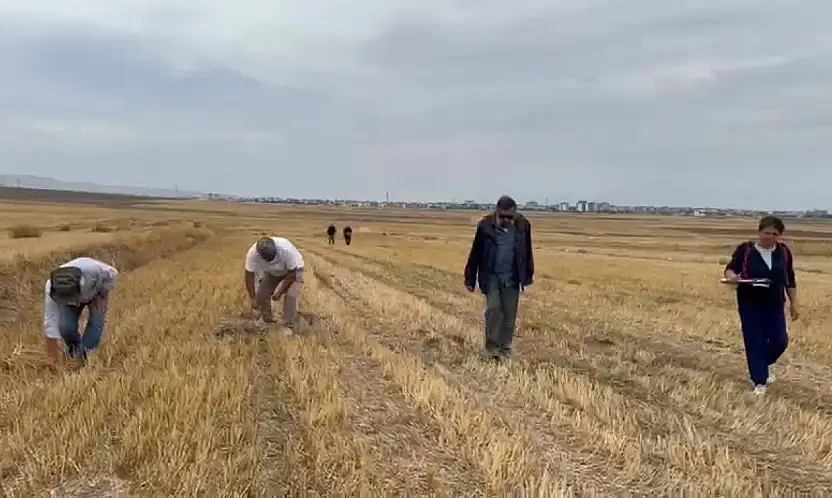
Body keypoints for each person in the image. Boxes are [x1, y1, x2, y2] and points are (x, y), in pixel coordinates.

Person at [723, 215, 798, 395]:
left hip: (775, 302)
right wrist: (733, 277)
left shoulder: (784, 252)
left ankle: (761, 364)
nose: (769, 236)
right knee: (755, 340)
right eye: (766, 232)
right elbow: (730, 268)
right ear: (759, 232)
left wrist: (794, 303)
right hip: (750, 302)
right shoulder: (746, 250)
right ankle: (759, 381)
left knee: (780, 341)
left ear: (779, 235)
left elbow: (790, 279)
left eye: (774, 233)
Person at [464, 195, 534, 360]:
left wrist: (528, 274)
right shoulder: (485, 226)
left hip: (512, 276)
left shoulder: (523, 226)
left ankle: (504, 348)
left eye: (509, 217)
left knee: (509, 314)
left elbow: (527, 251)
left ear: (515, 213)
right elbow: (475, 253)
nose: (506, 220)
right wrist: (470, 278)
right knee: (494, 310)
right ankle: (491, 348)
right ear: (496, 212)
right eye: (502, 216)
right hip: (491, 275)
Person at [43, 257, 118, 368]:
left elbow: (113, 273)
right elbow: (50, 322)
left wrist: (102, 292)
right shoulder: (51, 287)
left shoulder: (94, 271)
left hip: (96, 291)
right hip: (74, 291)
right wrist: (52, 361)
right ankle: (75, 351)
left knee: (96, 322)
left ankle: (85, 355)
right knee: (66, 327)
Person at [244, 236, 304, 334]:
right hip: (272, 272)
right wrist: (253, 298)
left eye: (272, 257)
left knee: (291, 296)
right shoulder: (252, 254)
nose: (271, 260)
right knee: (261, 294)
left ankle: (287, 325)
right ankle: (267, 320)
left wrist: (279, 292)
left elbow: (292, 275)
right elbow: (249, 276)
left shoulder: (286, 250)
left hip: (293, 270)